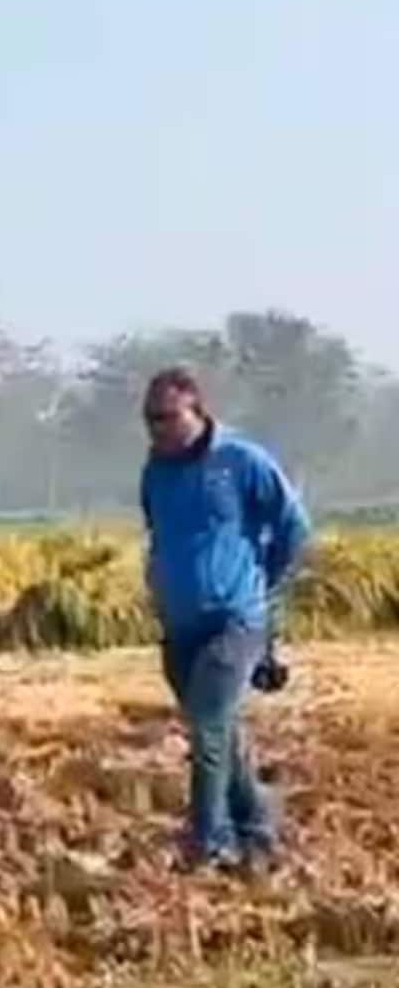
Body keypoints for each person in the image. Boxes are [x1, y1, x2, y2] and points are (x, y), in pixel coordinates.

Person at [138, 366, 311, 873]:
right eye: (149, 419)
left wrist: (263, 590)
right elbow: (161, 535)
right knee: (216, 730)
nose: (156, 429)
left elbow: (293, 529)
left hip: (235, 619)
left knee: (208, 728)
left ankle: (207, 843)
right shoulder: (155, 472)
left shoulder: (241, 461)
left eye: (166, 417)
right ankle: (257, 830)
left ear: (196, 409)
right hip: (180, 626)